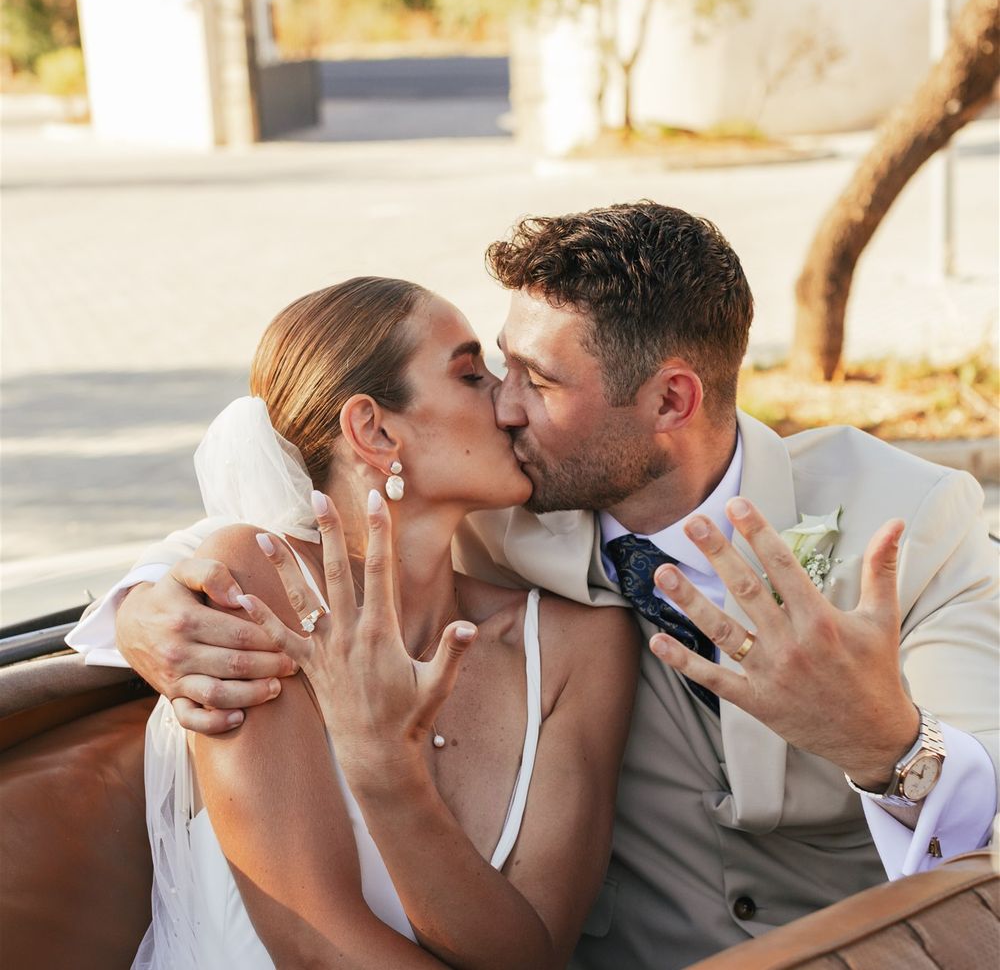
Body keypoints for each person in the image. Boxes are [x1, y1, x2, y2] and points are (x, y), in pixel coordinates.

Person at [69, 204, 998, 969]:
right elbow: (303, 522)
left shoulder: (908, 525)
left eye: (535, 380)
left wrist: (888, 748)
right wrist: (146, 602)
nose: (506, 406)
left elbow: (986, 808)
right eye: (490, 370)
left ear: (672, 402)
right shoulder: (505, 504)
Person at [120, 276, 639, 967]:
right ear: (374, 429)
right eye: (470, 374)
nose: (510, 404)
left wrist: (386, 772)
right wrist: (134, 611)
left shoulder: (579, 645)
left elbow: (533, 954)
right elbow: (313, 940)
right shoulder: (259, 583)